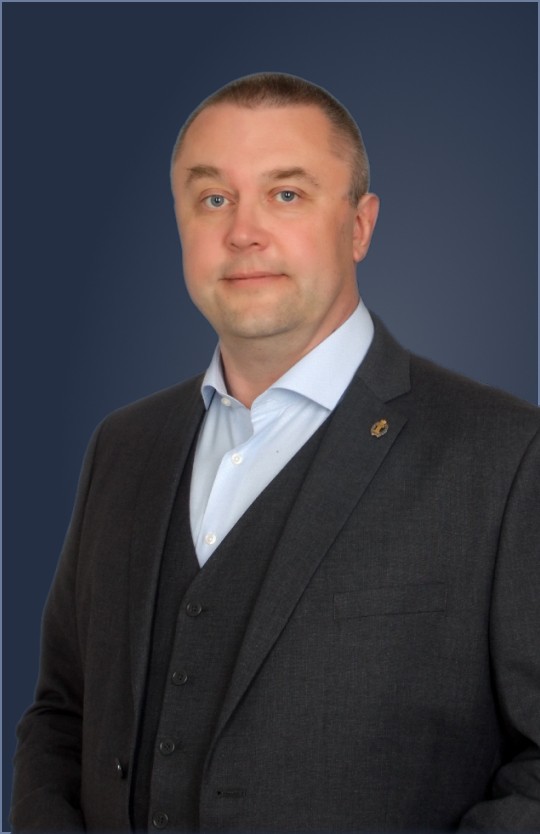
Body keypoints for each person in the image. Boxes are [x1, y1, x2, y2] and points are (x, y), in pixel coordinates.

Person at [11, 72, 540, 833]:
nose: (243, 232)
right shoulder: (122, 447)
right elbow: (62, 714)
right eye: (213, 199)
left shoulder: (508, 456)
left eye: (285, 194)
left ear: (360, 226)